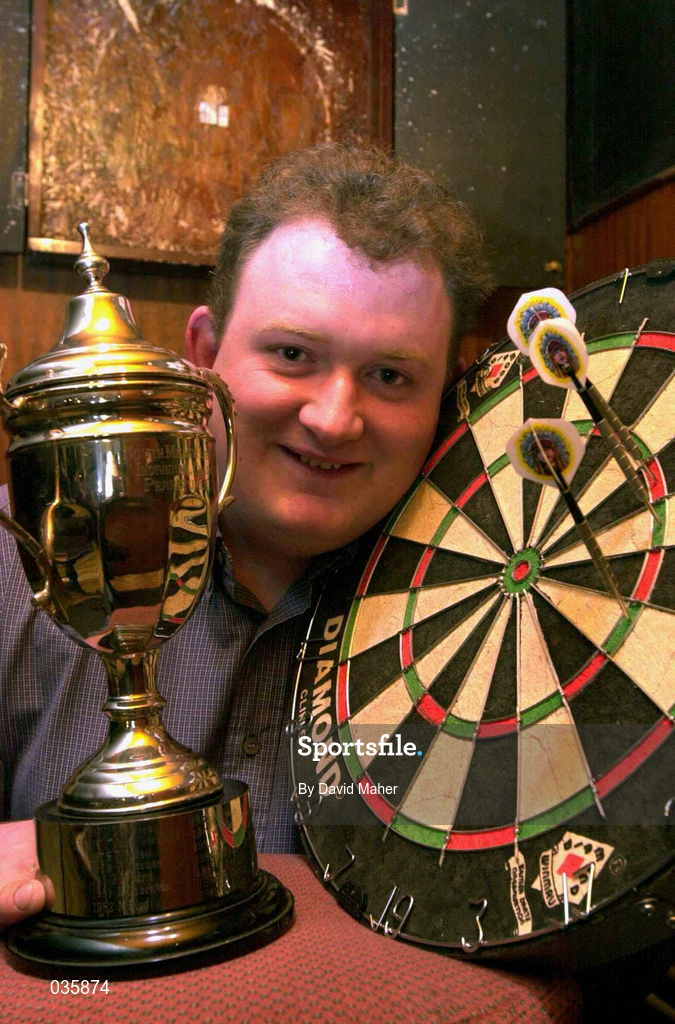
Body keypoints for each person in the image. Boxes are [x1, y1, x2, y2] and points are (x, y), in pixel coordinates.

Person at [0, 143, 493, 930]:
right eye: (292, 355)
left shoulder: (498, 601)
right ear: (203, 355)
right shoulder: (17, 560)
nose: (334, 418)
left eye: (391, 376)